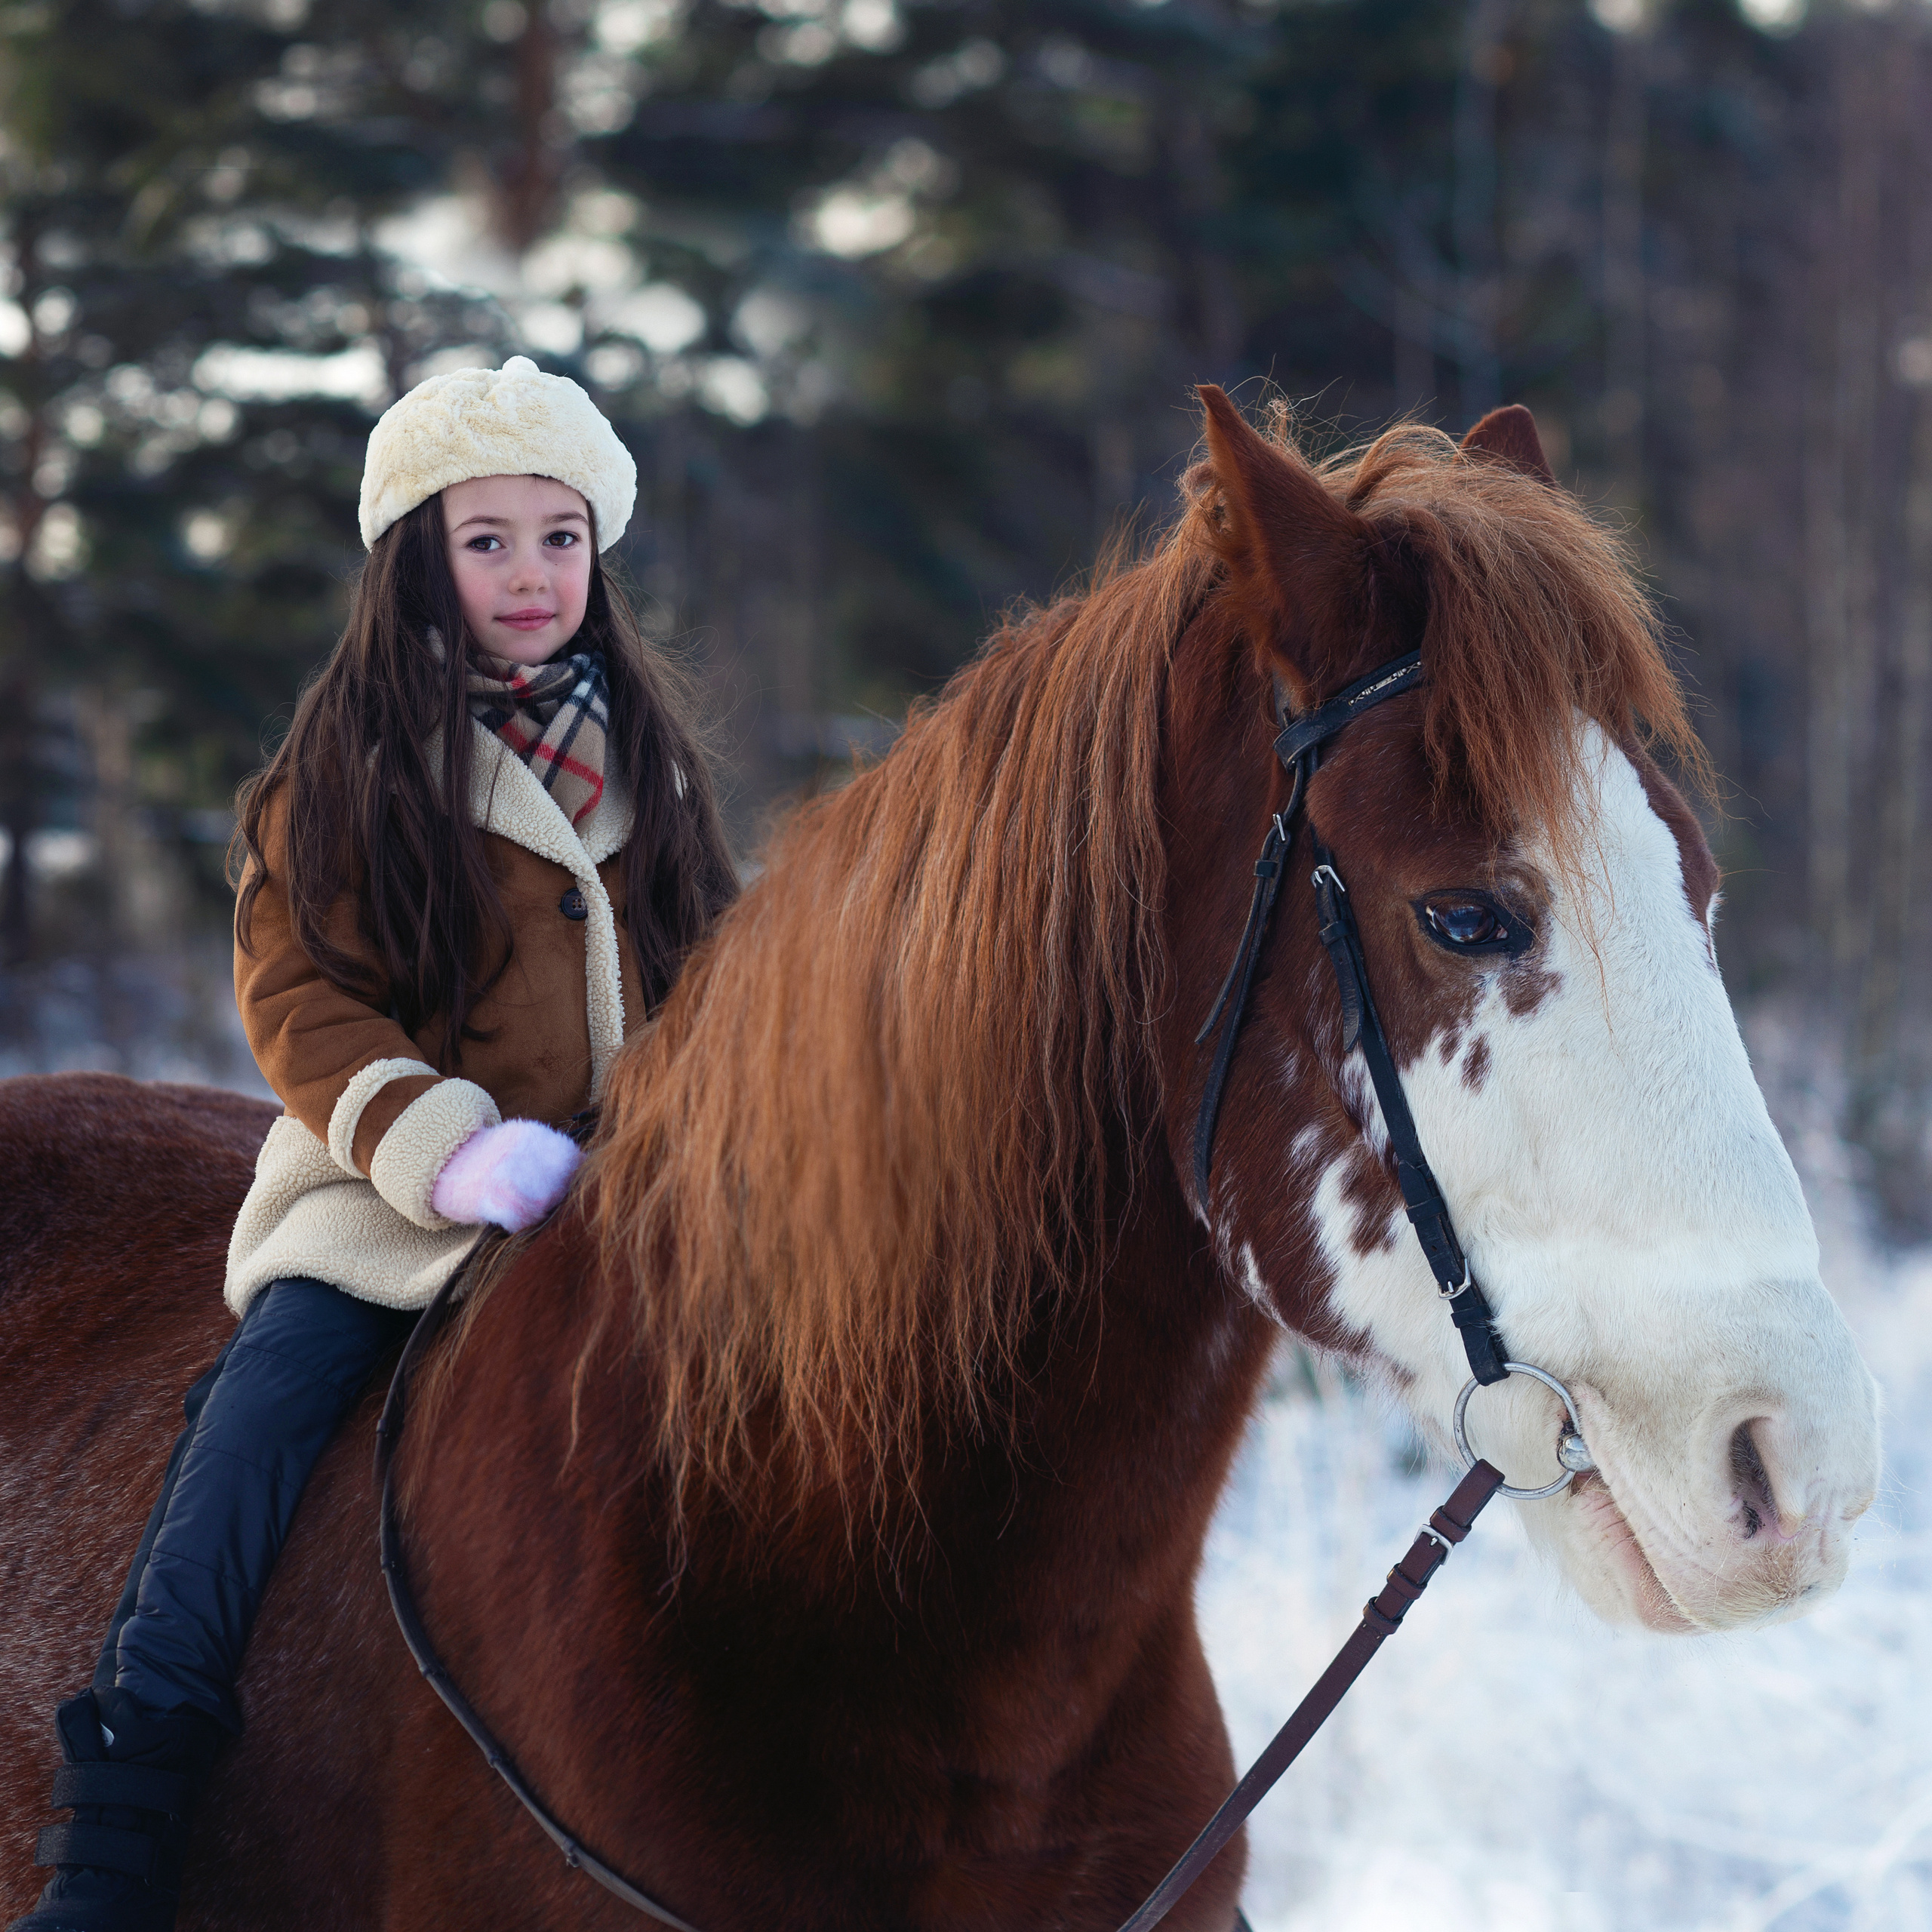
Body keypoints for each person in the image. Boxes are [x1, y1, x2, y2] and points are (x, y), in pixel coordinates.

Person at [10, 356, 737, 1932]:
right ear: (416, 551)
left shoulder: (649, 769)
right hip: (387, 1207)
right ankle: (123, 1828)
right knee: (243, 1459)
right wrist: (451, 1149)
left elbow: (712, 971)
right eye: (487, 539)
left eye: (561, 536)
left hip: (635, 1206)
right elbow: (303, 1000)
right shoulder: (343, 773)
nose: (531, 573)